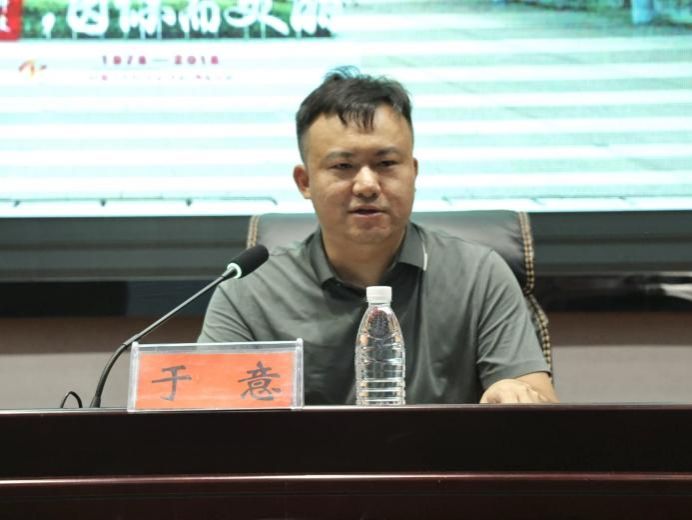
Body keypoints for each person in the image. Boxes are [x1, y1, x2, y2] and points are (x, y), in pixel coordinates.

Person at [198, 67, 558, 405]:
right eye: (343, 166)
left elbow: (541, 410)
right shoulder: (248, 294)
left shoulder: (479, 276)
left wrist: (515, 393)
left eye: (386, 164)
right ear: (304, 182)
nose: (367, 185)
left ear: (413, 172)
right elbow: (207, 420)